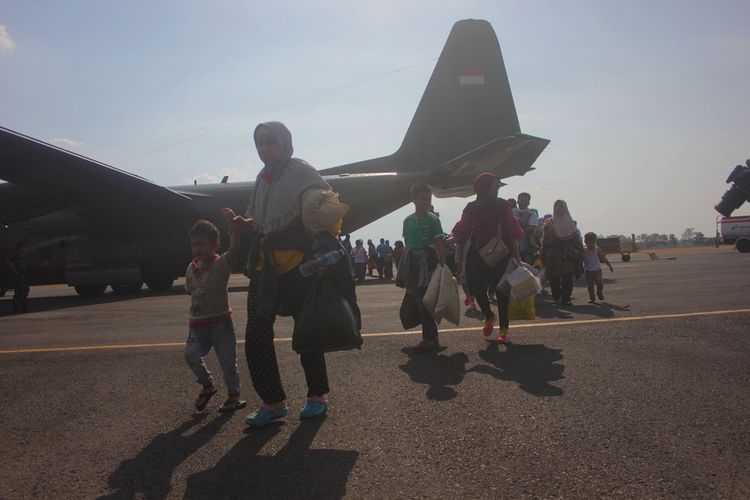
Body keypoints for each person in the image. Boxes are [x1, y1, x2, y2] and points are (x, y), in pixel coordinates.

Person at [227, 121, 350, 427]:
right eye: (259, 144)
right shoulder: (262, 179)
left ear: (284, 143)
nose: (264, 149)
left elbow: (323, 206)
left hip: (297, 263)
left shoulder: (301, 171)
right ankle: (273, 402)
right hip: (264, 267)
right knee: (256, 335)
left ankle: (317, 395)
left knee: (306, 330)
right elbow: (259, 217)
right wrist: (244, 223)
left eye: (270, 143)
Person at [450, 172, 524, 343]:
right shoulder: (471, 207)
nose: (497, 189)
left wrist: (517, 257)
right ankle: (489, 315)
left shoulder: (503, 205)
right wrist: (449, 239)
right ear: (484, 188)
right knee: (476, 287)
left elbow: (512, 231)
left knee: (501, 291)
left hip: (500, 253)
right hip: (478, 252)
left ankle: (504, 329)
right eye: (494, 186)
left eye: (497, 186)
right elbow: (463, 228)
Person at [184, 219, 246, 413]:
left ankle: (233, 396)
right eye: (194, 245)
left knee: (228, 362)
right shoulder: (190, 269)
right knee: (191, 356)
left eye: (202, 244)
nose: (197, 249)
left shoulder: (221, 265)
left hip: (221, 324)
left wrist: (234, 231)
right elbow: (190, 291)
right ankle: (207, 386)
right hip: (197, 326)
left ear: (215, 245)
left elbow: (234, 251)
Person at [396, 183, 446, 352]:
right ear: (414, 200)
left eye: (429, 199)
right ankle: (433, 337)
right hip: (413, 266)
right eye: (423, 198)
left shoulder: (433, 220)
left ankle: (428, 339)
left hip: (429, 265)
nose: (426, 201)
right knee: (420, 302)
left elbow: (439, 242)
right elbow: (407, 243)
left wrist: (443, 264)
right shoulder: (407, 221)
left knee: (424, 302)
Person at [540, 200, 584, 306]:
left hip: (567, 254)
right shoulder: (549, 222)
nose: (559, 209)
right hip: (552, 255)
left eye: (561, 206)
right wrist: (542, 253)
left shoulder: (570, 223)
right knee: (553, 277)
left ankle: (566, 298)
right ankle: (556, 298)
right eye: (556, 206)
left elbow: (576, 239)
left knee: (567, 278)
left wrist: (581, 253)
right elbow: (545, 240)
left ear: (565, 208)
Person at [583, 232, 613, 303]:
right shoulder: (583, 250)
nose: (591, 244)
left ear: (595, 241)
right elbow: (580, 259)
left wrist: (609, 266)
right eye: (589, 242)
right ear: (585, 242)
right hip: (588, 271)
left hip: (597, 270)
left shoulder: (597, 249)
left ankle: (599, 292)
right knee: (590, 286)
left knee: (600, 283)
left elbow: (603, 258)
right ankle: (592, 298)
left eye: (593, 242)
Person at [514, 192, 539, 265]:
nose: (523, 202)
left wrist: (519, 233)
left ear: (529, 202)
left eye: (526, 200)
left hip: (527, 245)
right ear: (518, 201)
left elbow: (532, 227)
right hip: (514, 245)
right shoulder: (513, 211)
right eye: (522, 200)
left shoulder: (532, 214)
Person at [8, 242, 30, 314]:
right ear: (20, 248)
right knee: (19, 292)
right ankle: (18, 306)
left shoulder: (22, 256)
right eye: (23, 247)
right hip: (18, 277)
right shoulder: (14, 257)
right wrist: (16, 275)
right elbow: (12, 266)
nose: (24, 249)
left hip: (23, 276)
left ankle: (22, 305)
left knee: (26, 290)